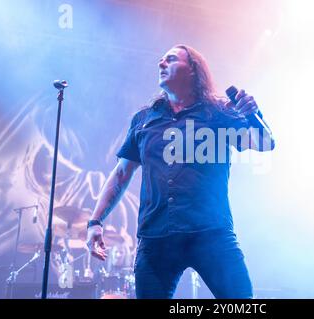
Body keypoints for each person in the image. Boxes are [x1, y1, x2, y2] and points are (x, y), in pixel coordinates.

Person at [86, 44, 275, 299]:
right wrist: (95, 222)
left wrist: (253, 115)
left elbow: (264, 144)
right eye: (161, 60)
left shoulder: (218, 113)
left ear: (193, 71)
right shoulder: (144, 119)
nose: (161, 63)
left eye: (171, 59)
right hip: (156, 238)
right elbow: (121, 174)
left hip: (210, 233)